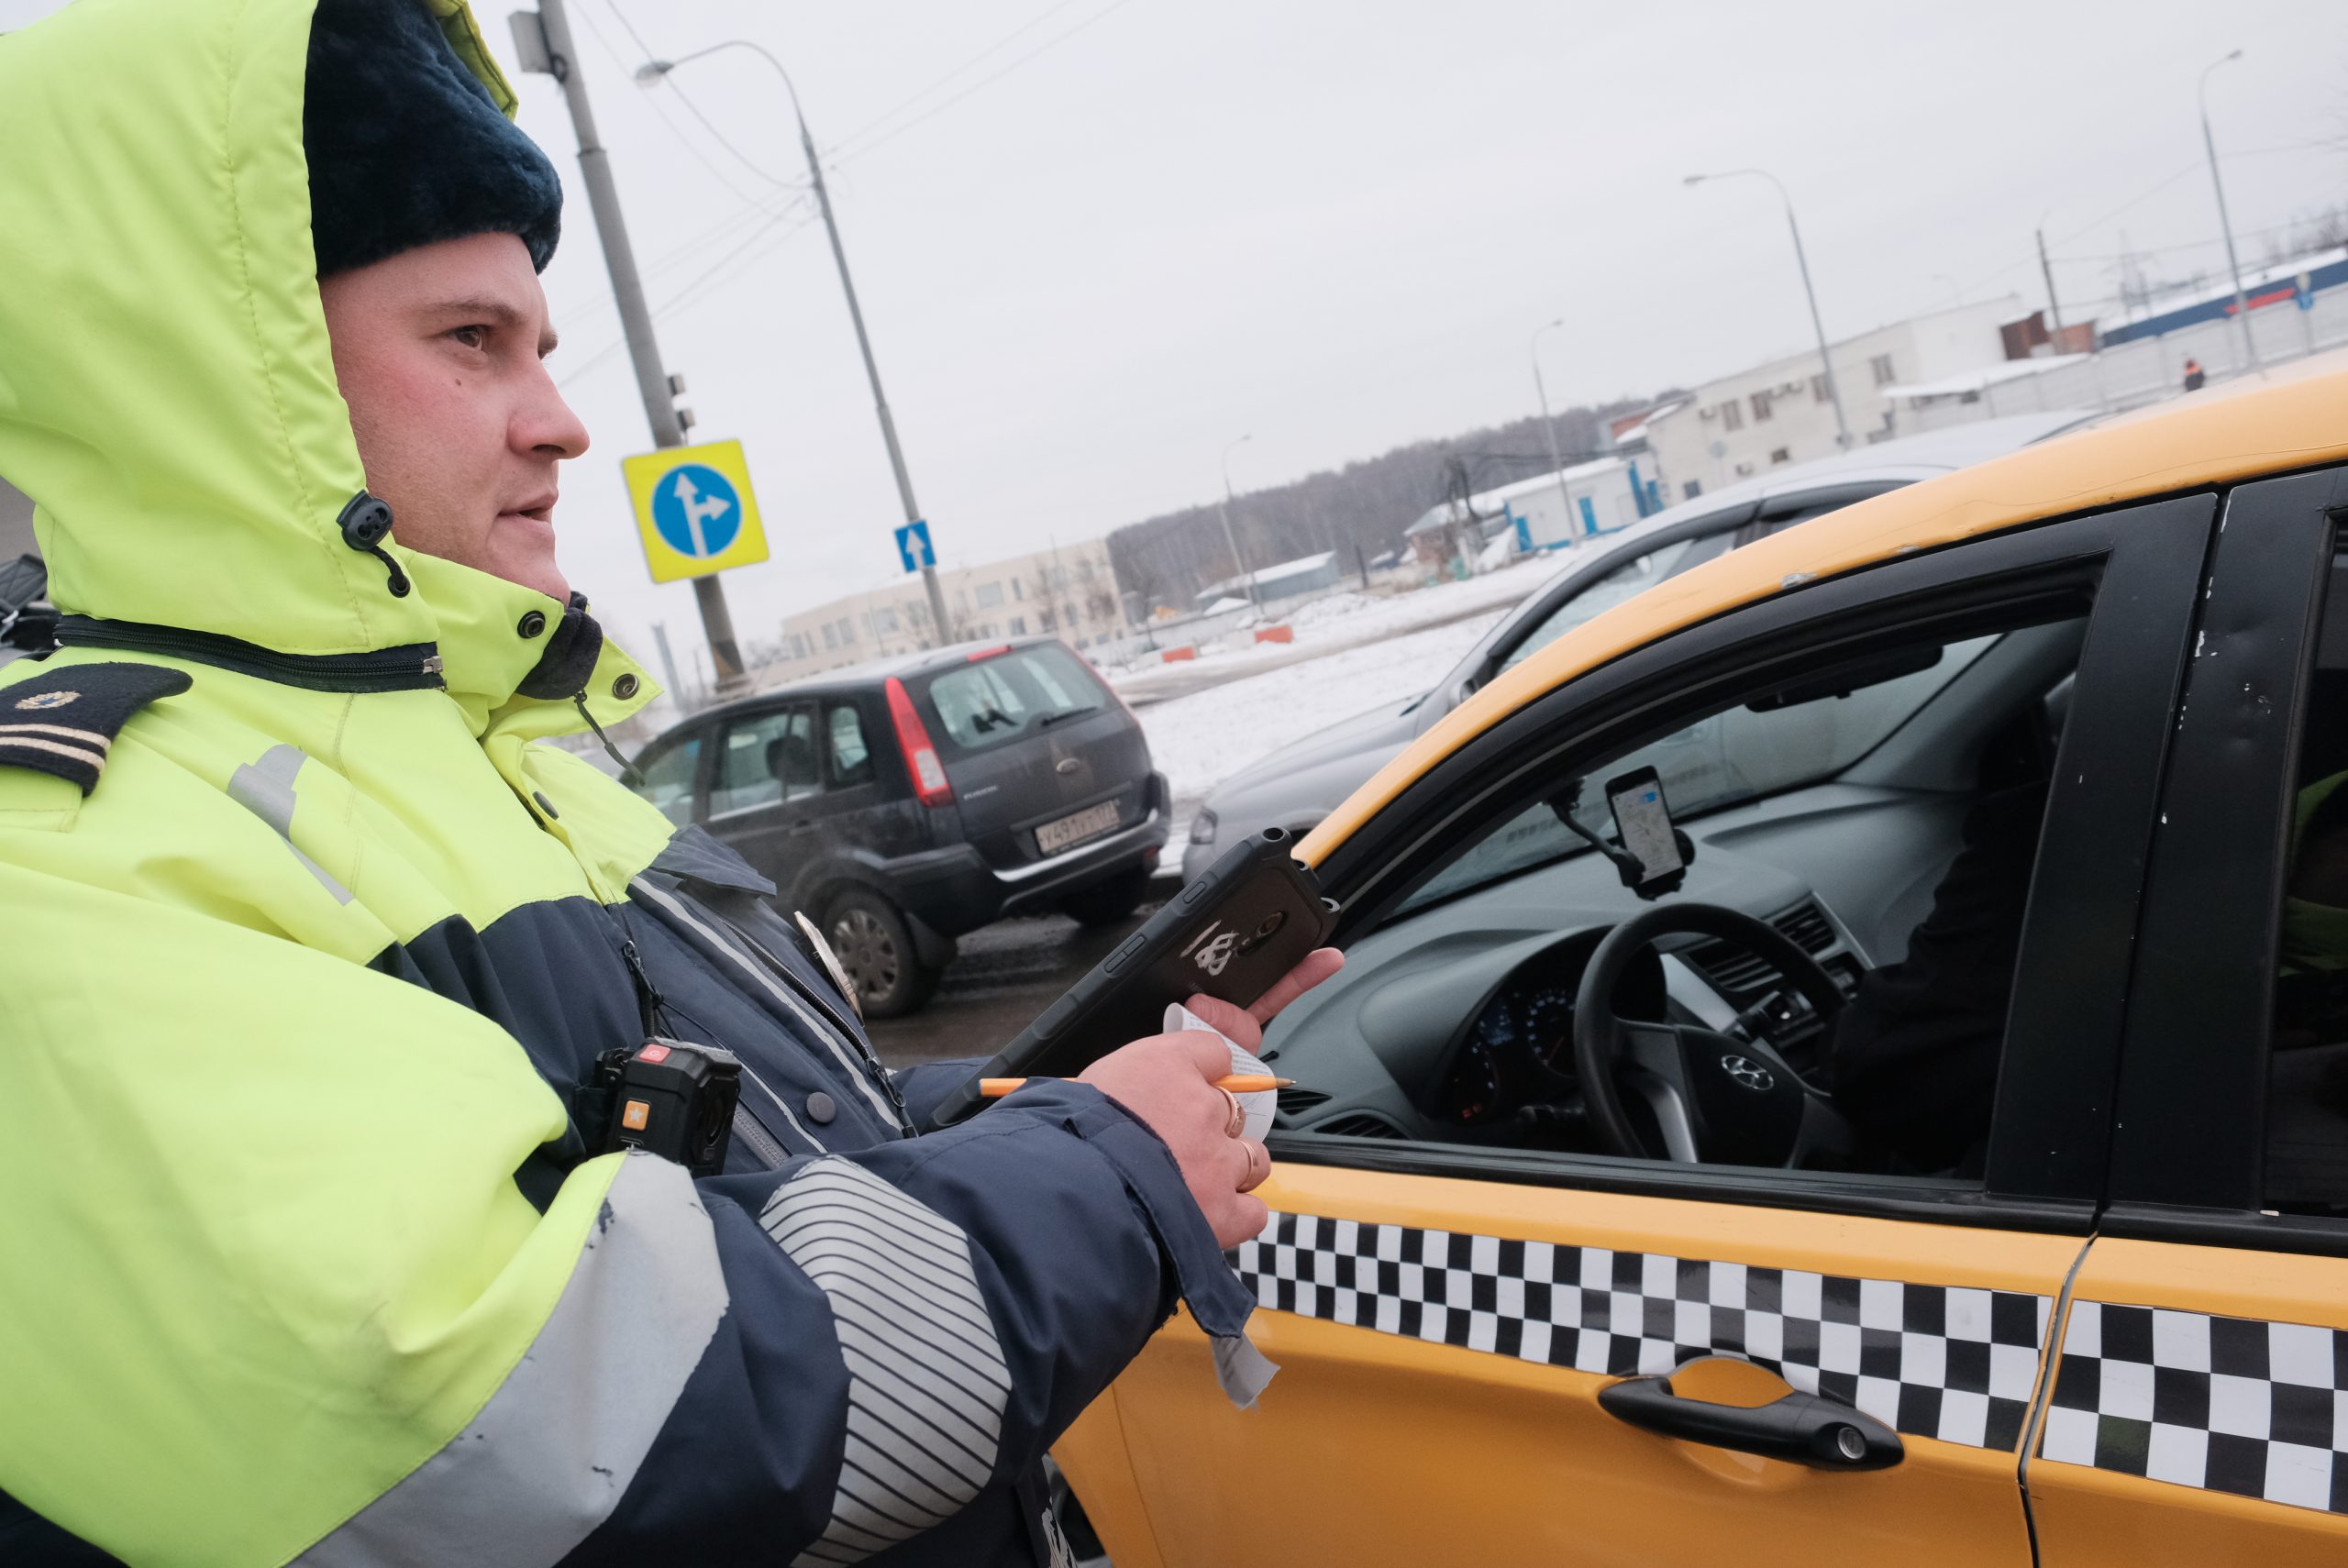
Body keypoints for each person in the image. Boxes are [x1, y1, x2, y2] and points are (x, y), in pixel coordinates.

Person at [0, 2, 1337, 1564]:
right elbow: (581, 1427)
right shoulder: (71, 861)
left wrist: (1059, 1089)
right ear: (235, 375)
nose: (563, 420)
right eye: (467, 339)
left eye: (543, 344)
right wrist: (1102, 1175)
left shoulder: (512, 758)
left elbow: (760, 1154)